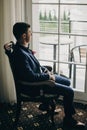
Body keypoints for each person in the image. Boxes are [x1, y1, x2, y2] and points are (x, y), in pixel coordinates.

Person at [6, 22, 85, 128]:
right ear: (24, 36)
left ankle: (45, 105)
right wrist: (48, 77)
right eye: (30, 32)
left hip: (41, 77)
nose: (31, 34)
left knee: (67, 81)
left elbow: (35, 65)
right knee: (69, 91)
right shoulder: (20, 54)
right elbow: (31, 77)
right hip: (36, 86)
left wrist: (46, 71)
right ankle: (69, 120)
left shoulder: (22, 48)